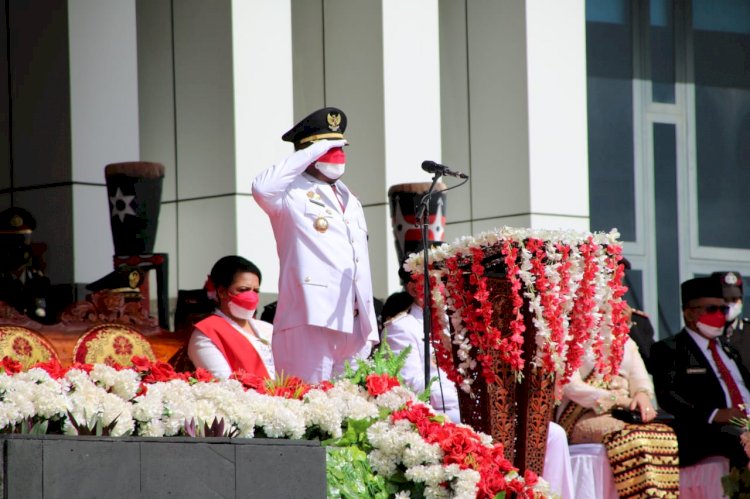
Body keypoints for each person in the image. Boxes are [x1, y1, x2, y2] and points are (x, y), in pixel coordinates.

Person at [387, 269, 574, 499]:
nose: (444, 286)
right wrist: (470, 398)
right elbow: (415, 383)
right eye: (436, 281)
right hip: (445, 412)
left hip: (479, 406)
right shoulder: (402, 327)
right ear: (414, 287)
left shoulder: (460, 320)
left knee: (553, 434)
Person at [252, 107, 379, 383]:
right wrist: (311, 152)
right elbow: (262, 188)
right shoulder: (289, 195)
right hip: (309, 318)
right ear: (306, 153)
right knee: (309, 410)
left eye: (341, 146)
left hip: (354, 321)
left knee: (350, 414)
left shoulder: (351, 200)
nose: (337, 154)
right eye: (329, 148)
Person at [557, 336, 680, 498]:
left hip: (624, 412)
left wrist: (642, 395)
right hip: (583, 413)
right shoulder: (571, 334)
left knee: (664, 434)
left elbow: (640, 379)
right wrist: (618, 400)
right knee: (634, 438)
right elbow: (571, 387)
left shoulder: (625, 339)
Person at [651, 276, 750, 470]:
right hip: (704, 430)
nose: (719, 315)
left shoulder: (730, 350)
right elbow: (668, 397)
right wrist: (715, 414)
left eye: (724, 309)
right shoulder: (669, 349)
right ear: (689, 314)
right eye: (711, 309)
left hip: (744, 422)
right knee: (739, 439)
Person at [187, 256, 274, 380]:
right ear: (222, 292)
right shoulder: (206, 334)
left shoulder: (267, 328)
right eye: (244, 290)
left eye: (256, 291)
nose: (251, 296)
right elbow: (224, 382)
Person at [0, 207, 53, 323]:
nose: (18, 249)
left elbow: (47, 319)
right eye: (11, 242)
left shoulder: (40, 282)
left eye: (23, 240)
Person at [713, 271, 750, 371]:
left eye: (734, 299)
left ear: (741, 301)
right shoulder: (704, 334)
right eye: (725, 299)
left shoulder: (748, 332)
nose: (729, 305)